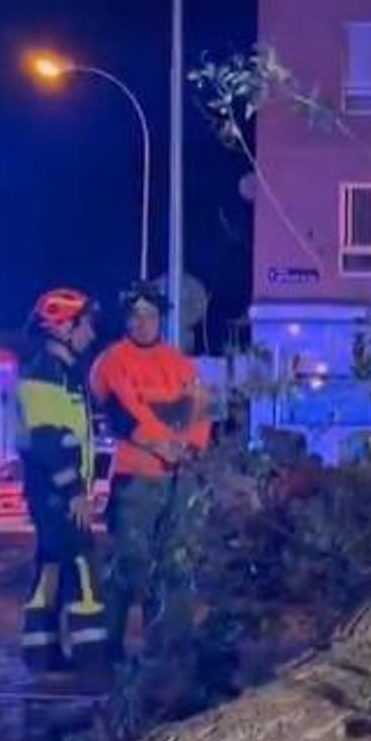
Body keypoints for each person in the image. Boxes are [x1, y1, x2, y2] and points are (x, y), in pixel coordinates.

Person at [89, 281, 211, 660]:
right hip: (135, 481)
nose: (143, 323)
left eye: (150, 315)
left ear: (161, 318)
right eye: (136, 316)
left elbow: (200, 410)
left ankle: (169, 651)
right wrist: (161, 443)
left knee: (176, 565)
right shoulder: (111, 363)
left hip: (178, 480)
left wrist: (189, 448)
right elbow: (123, 414)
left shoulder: (179, 364)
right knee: (128, 564)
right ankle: (109, 650)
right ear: (125, 320)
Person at [17, 287, 108, 676]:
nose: (92, 333)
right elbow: (50, 440)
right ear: (63, 329)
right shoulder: (45, 376)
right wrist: (74, 492)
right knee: (83, 567)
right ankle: (93, 661)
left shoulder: (64, 375)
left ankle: (41, 654)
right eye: (86, 324)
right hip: (56, 492)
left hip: (53, 490)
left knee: (51, 568)